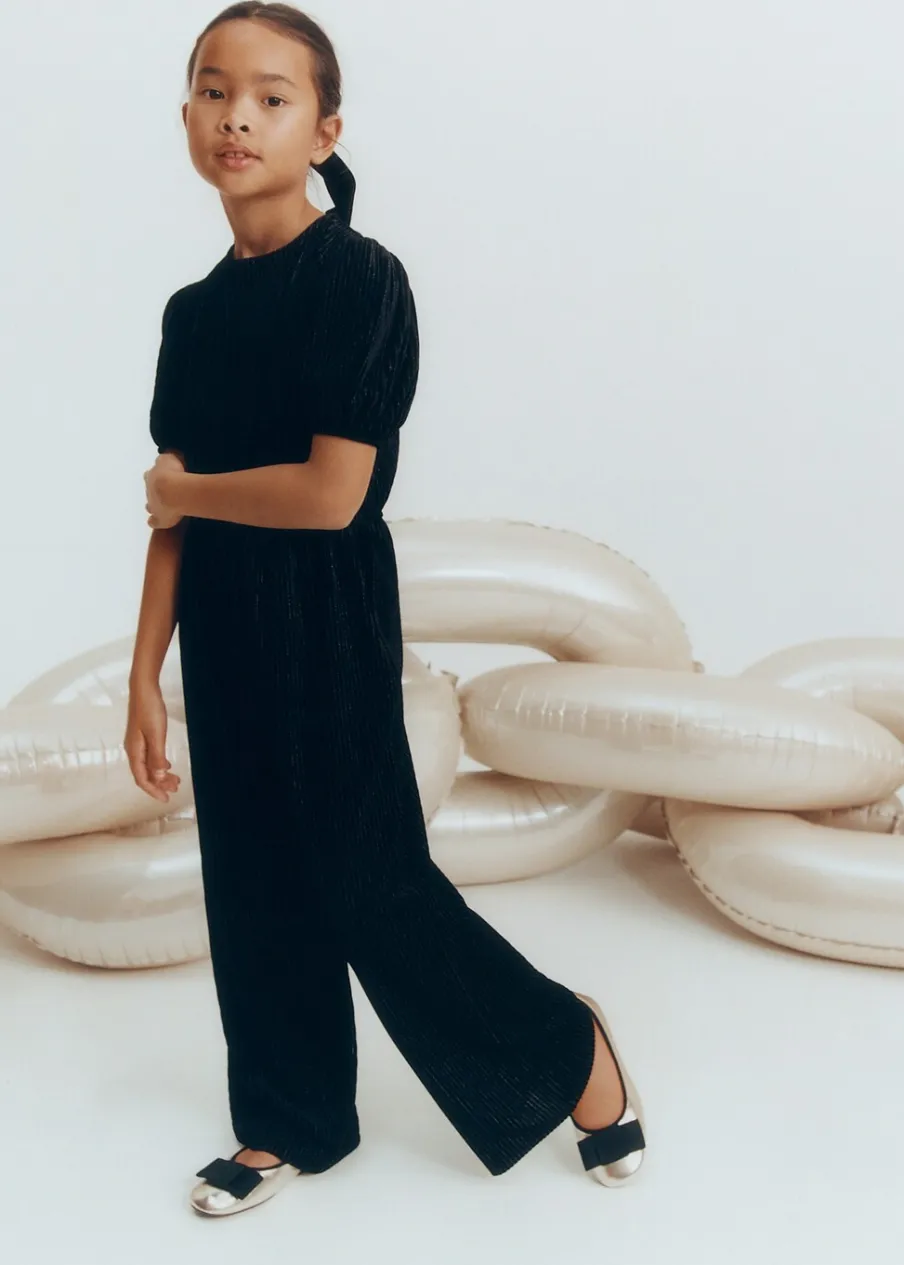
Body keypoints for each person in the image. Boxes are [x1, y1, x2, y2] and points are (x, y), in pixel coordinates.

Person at [126, 2, 647, 1217]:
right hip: (222, 625)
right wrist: (147, 671)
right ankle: (290, 1119)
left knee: (371, 880)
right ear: (187, 115)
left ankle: (570, 1046)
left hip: (325, 616)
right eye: (214, 90)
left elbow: (330, 494)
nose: (237, 117)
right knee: (250, 876)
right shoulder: (192, 314)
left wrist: (186, 490)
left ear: (324, 130)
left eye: (271, 97)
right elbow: (168, 517)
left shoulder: (360, 280)